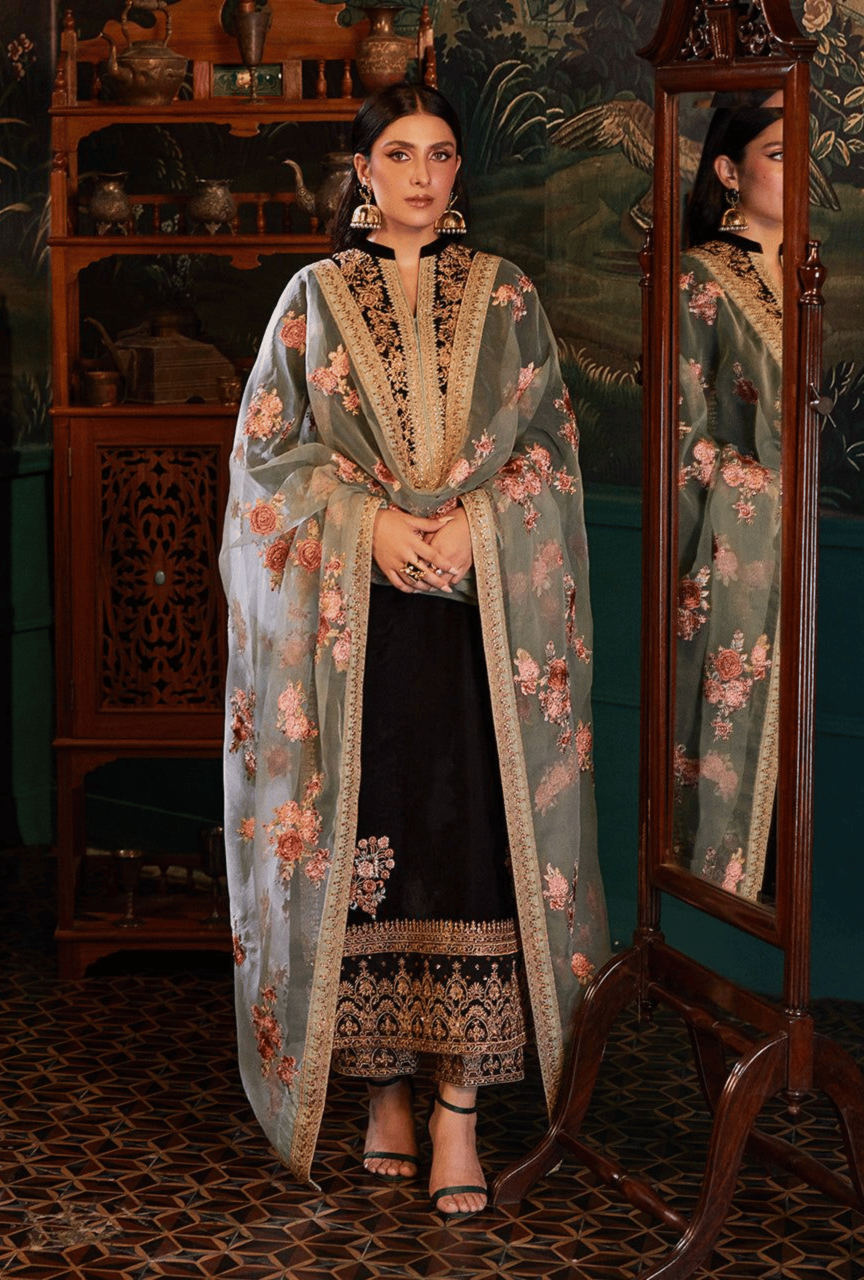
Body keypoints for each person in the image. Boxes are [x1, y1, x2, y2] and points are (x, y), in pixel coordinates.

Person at [219, 83, 609, 1219]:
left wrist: (479, 525)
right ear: (362, 169)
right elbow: (266, 461)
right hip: (359, 627)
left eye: (441, 155)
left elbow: (548, 450)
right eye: (400, 154)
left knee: (473, 840)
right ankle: (383, 1090)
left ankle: (460, 1111)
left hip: (484, 623)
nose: (424, 176)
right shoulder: (312, 298)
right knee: (370, 832)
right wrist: (369, 526)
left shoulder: (510, 294)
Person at [674, 99, 784, 899]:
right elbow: (679, 434)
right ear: (728, 169)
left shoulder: (813, 269)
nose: (799, 171)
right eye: (777, 154)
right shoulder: (700, 276)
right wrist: (762, 486)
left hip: (822, 547)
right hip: (747, 552)